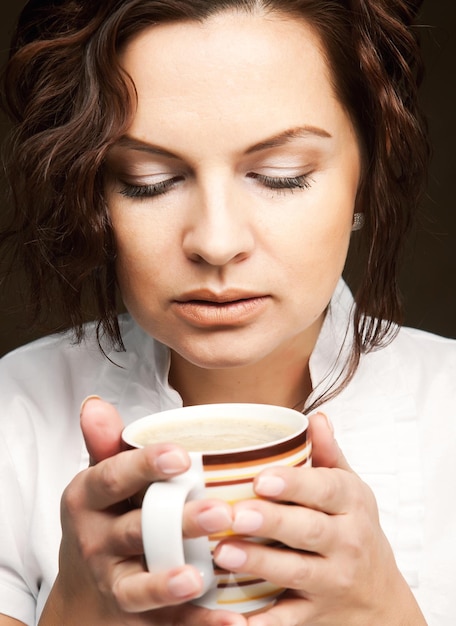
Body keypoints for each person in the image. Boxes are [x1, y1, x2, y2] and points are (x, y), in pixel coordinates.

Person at [0, 0, 454, 624]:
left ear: (365, 170)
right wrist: (75, 609)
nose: (215, 242)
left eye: (280, 175)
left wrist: (388, 613)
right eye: (148, 179)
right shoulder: (14, 414)